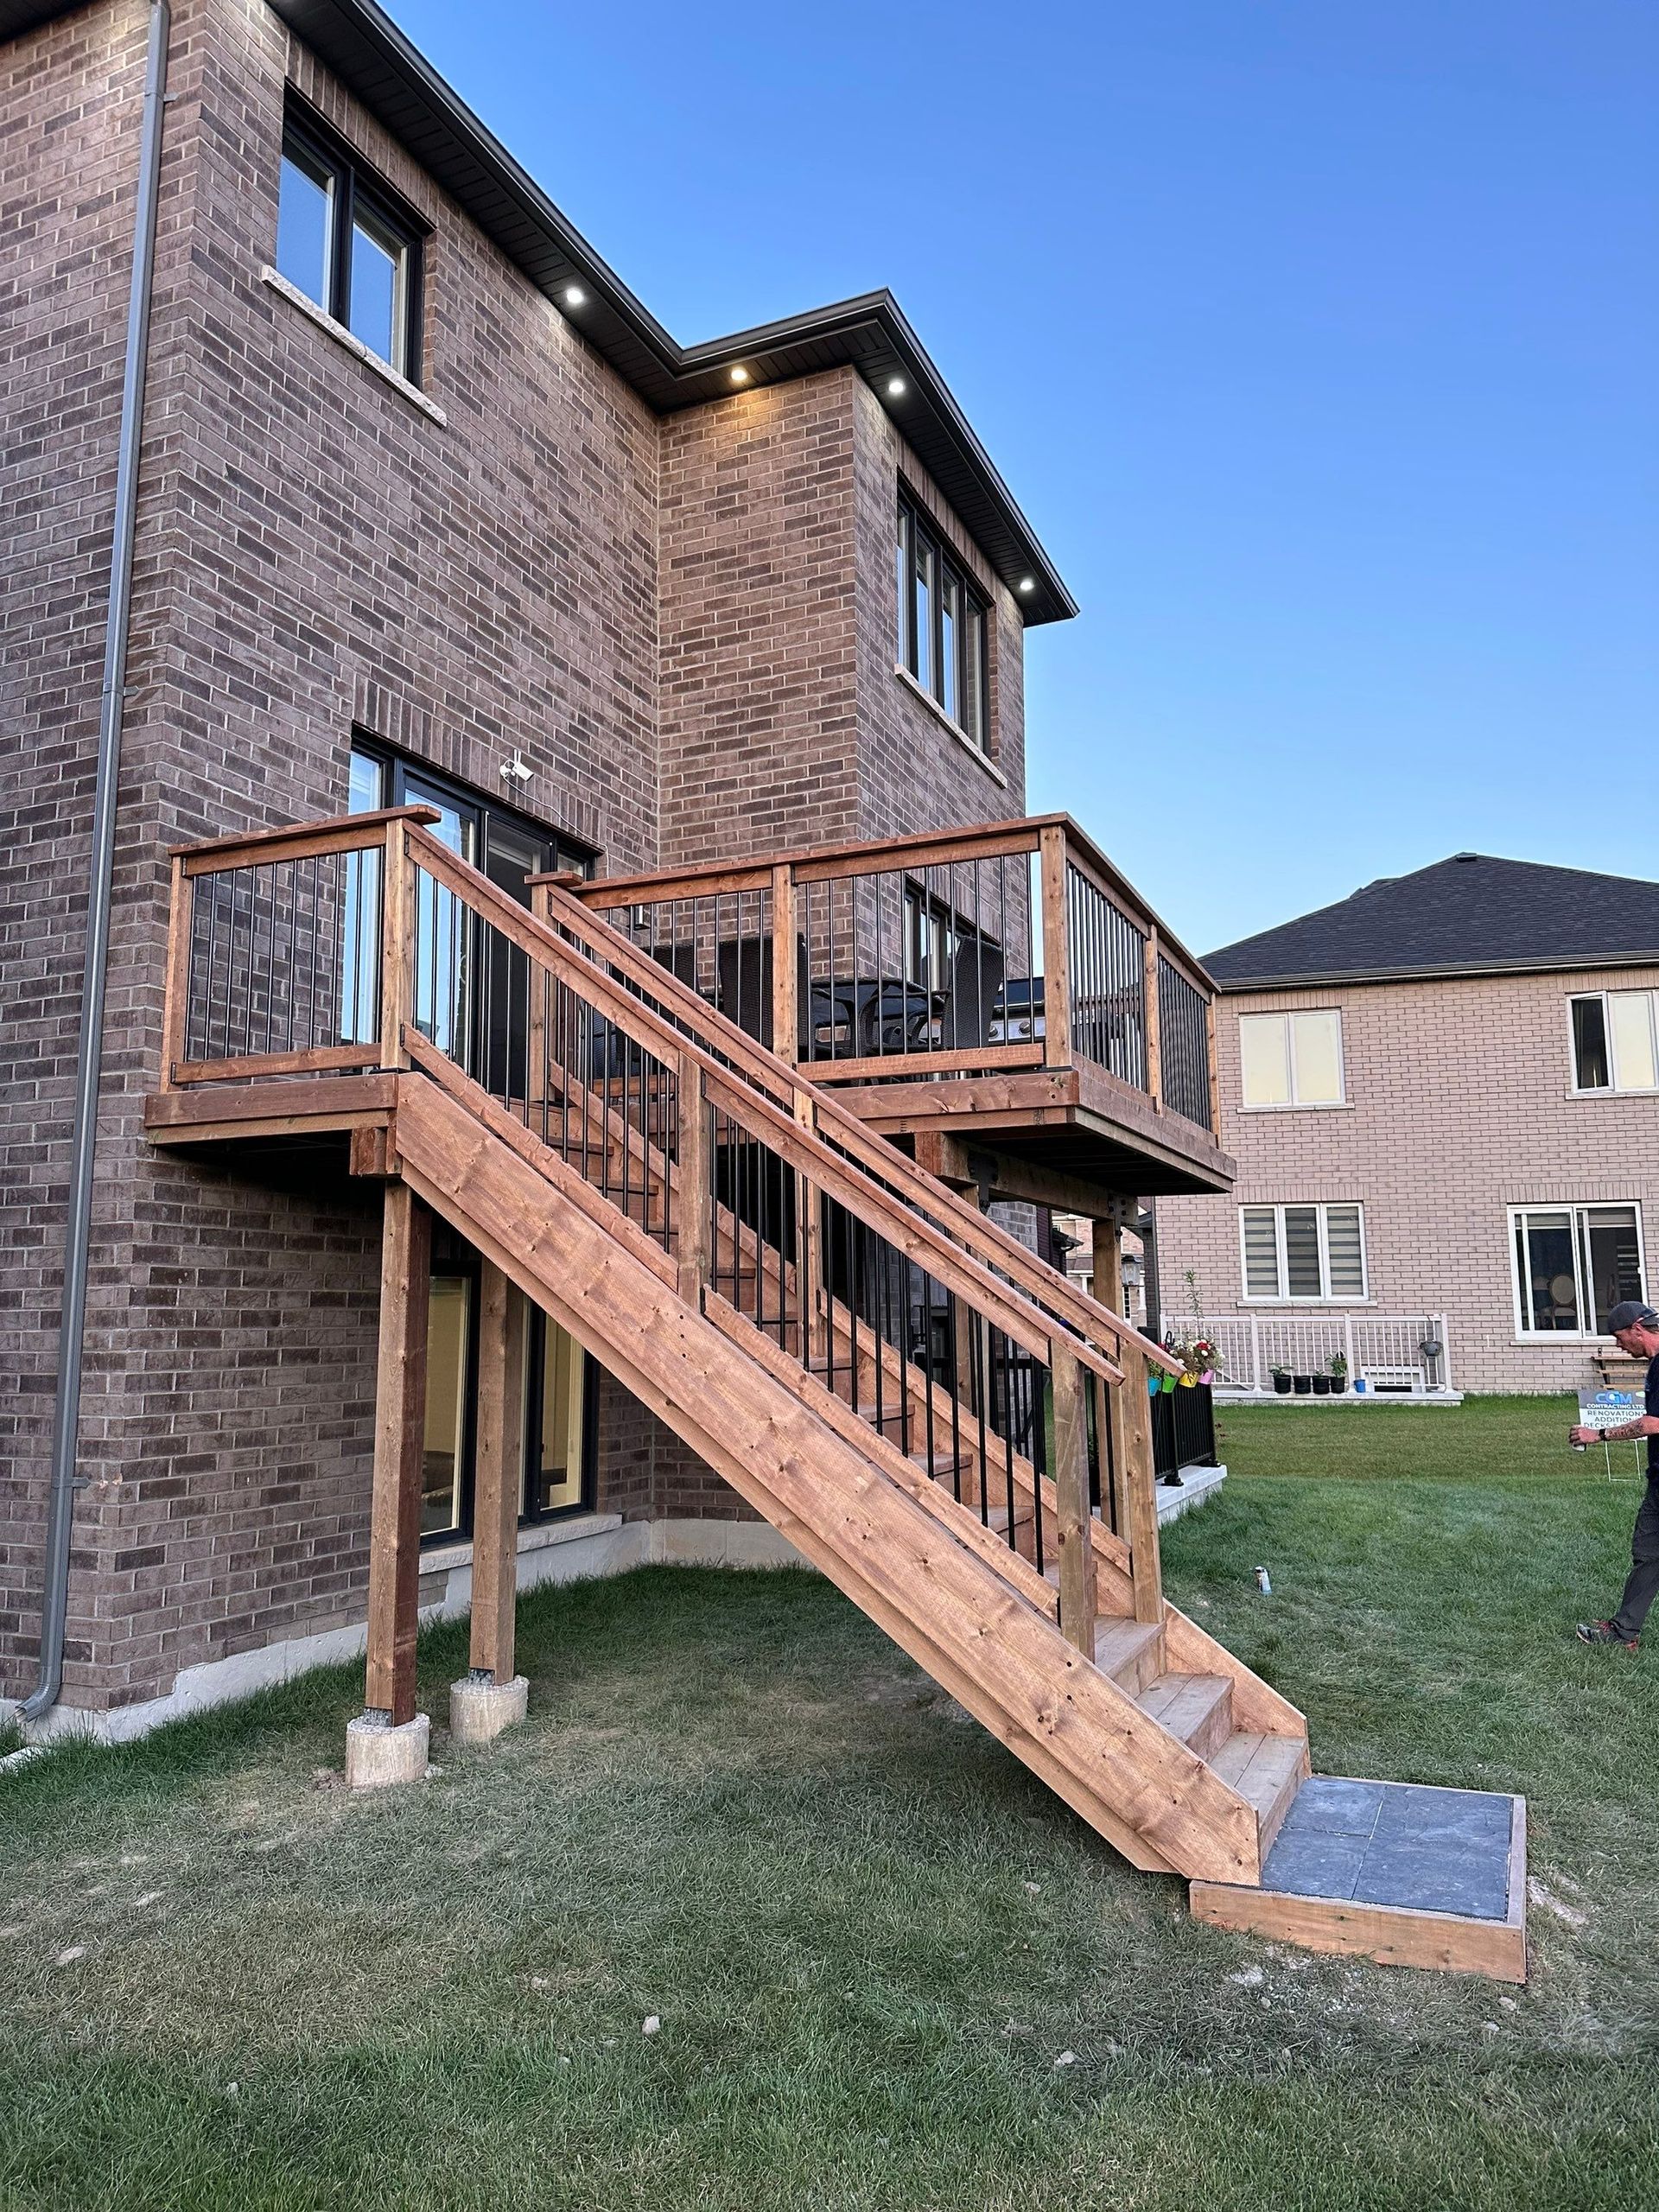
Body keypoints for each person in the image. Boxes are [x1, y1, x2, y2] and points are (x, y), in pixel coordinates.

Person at [1569, 1300, 1659, 1649]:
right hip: (1658, 1479)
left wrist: (1600, 1435)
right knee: (1649, 1552)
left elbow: (1653, 1423)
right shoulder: (1654, 1366)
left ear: (1638, 1328)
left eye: (1620, 1337)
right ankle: (1625, 1632)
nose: (1619, 1346)